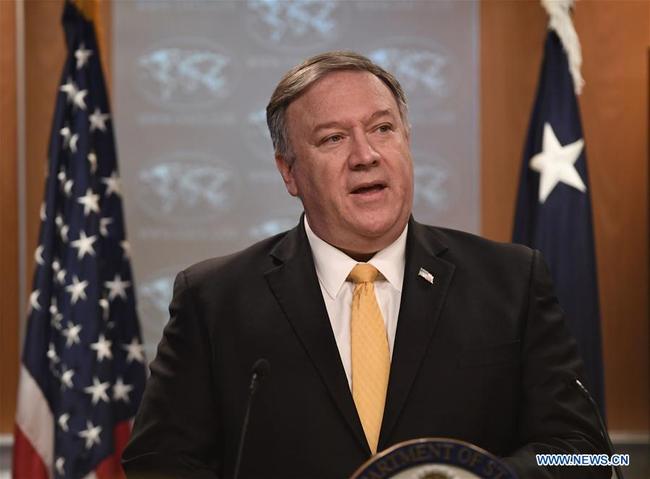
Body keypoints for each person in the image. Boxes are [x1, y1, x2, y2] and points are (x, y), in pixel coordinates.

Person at [122, 51, 611, 478]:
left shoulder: (511, 281)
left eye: (382, 128)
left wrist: (477, 477)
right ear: (289, 172)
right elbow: (159, 462)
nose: (366, 155)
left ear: (406, 140)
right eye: (333, 138)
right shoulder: (214, 300)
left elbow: (587, 456)